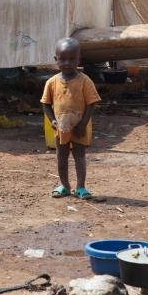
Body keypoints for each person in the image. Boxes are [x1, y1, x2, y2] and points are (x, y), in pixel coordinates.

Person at [41, 37, 101, 199]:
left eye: (72, 59)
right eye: (62, 59)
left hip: (80, 127)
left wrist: (83, 124)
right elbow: (45, 104)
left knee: (79, 156)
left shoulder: (84, 81)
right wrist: (52, 120)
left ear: (78, 59)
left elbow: (91, 103)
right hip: (61, 128)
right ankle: (65, 186)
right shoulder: (52, 82)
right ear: (56, 60)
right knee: (61, 157)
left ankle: (81, 187)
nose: (67, 63)